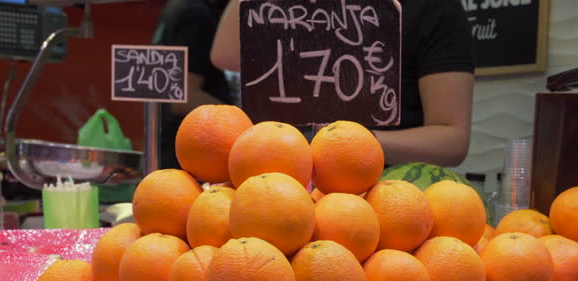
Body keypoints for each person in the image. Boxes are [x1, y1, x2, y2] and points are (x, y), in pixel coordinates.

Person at [209, 0, 475, 167]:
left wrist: (350, 144)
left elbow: (451, 140)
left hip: (389, 195)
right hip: (280, 183)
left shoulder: (434, 7)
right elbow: (225, 53)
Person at [153, 0, 235, 169]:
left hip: (178, 144)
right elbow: (184, 97)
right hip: (197, 147)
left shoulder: (177, 7)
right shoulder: (196, 16)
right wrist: (238, 120)